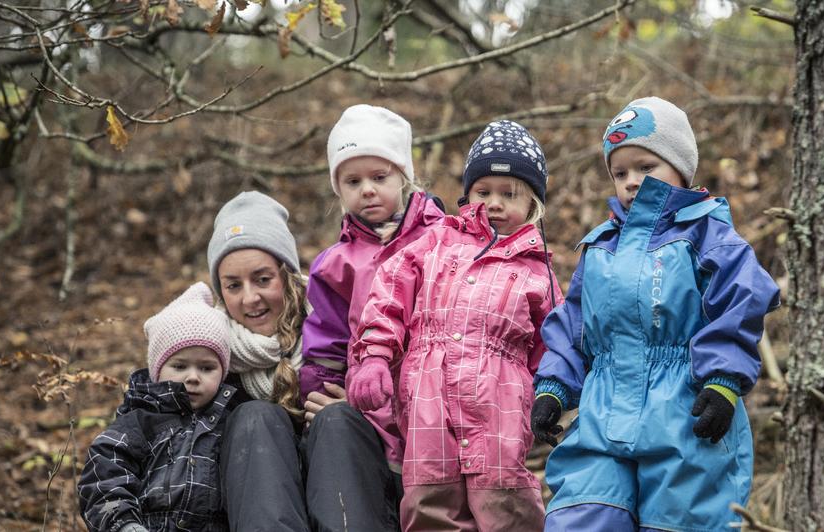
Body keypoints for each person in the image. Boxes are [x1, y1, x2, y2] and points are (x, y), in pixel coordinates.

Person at [530, 97, 781, 531]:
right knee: (583, 516)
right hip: (602, 415)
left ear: (681, 166)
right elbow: (573, 325)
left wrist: (722, 381)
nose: (631, 182)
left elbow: (740, 305)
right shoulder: (601, 246)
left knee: (682, 521)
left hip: (685, 415)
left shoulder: (708, 235)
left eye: (646, 167)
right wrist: (554, 386)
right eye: (620, 171)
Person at [348, 120, 562, 531]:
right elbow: (388, 292)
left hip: (499, 405)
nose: (494, 203)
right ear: (468, 194)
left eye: (508, 194)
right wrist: (375, 355)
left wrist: (551, 393)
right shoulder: (438, 242)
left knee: (505, 505)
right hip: (428, 400)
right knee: (432, 502)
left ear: (533, 202)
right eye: (484, 192)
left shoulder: (538, 272)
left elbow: (553, 343)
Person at [299, 103, 446, 531]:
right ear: (337, 189)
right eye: (353, 180)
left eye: (379, 177)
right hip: (371, 409)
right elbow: (326, 343)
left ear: (403, 176)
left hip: (435, 407)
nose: (367, 189)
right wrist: (323, 395)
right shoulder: (335, 264)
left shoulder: (443, 239)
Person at [79, 282, 235, 532]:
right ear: (157, 371)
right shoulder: (139, 423)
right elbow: (104, 479)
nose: (193, 377)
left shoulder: (230, 424)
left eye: (206, 368)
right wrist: (124, 525)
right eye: (180, 366)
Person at [208, 191, 312, 531]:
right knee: (255, 417)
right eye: (233, 285)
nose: (250, 298)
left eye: (262, 279)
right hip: (245, 512)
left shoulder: (336, 331)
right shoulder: (205, 353)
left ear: (287, 275)